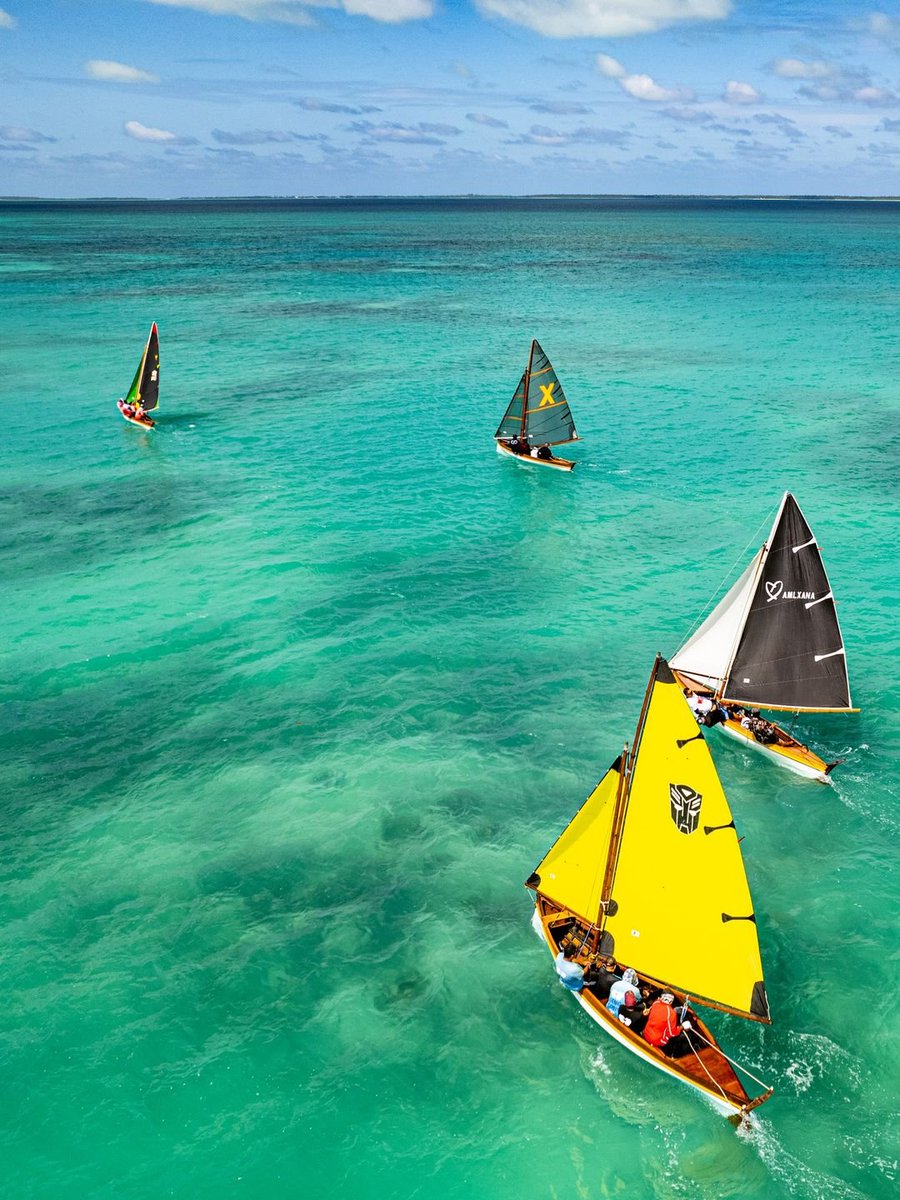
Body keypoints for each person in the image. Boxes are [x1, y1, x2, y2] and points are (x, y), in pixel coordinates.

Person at [642, 992, 694, 1056]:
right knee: (685, 1037)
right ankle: (672, 1054)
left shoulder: (656, 1003)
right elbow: (671, 1033)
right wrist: (682, 1027)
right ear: (671, 1002)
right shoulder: (671, 1013)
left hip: (646, 1033)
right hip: (658, 1040)